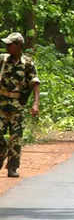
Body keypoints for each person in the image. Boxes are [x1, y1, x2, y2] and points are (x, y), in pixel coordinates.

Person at [0, 32, 40, 177]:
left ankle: (12, 167)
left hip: (17, 106)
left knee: (16, 137)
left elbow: (35, 83)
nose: (7, 46)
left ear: (18, 46)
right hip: (1, 104)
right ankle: (2, 152)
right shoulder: (2, 60)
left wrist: (35, 103)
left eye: (10, 44)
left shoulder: (28, 63)